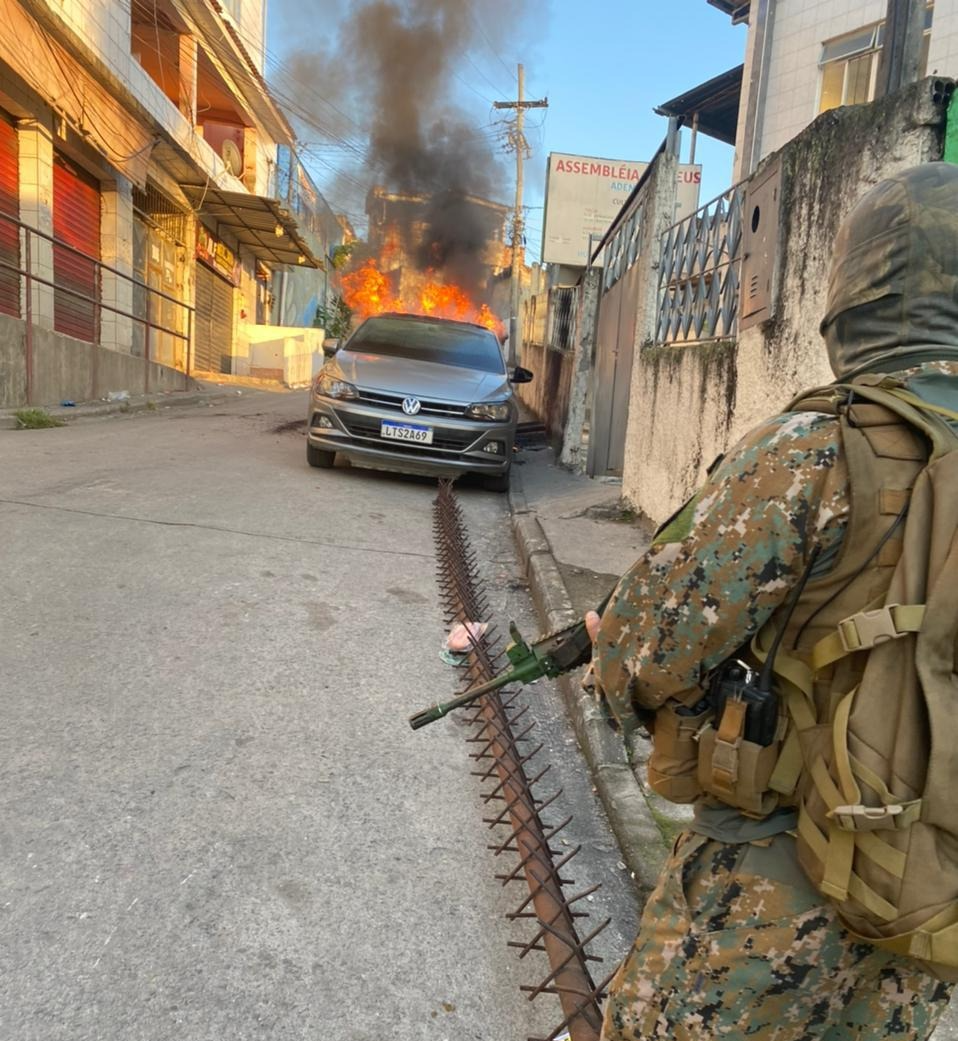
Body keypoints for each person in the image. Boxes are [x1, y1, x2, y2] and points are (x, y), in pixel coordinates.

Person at [584, 162, 958, 1040]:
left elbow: (643, 651)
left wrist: (630, 670)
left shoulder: (822, 444)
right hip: (931, 912)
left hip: (776, 895)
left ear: (859, 289)